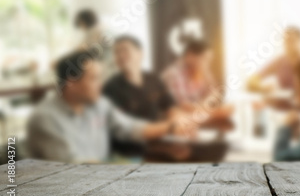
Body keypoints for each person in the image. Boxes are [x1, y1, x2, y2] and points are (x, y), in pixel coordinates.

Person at [27, 50, 186, 163]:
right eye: (94, 78)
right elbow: (74, 168)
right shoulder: (45, 119)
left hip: (101, 180)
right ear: (71, 84)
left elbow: (130, 128)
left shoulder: (99, 105)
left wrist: (170, 127)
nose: (101, 84)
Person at [104, 35, 175, 121]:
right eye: (117, 52)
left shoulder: (153, 79)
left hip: (162, 131)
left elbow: (169, 107)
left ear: (140, 53)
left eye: (125, 50)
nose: (121, 55)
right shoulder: (111, 88)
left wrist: (175, 120)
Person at [247, 26, 300, 92]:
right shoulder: (281, 61)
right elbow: (252, 79)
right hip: (284, 101)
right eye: (286, 41)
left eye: (292, 40)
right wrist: (262, 87)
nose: (288, 44)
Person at [162, 39, 217, 108]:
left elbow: (214, 97)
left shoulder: (199, 74)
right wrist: (207, 104)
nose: (207, 65)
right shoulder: (173, 74)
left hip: (196, 115)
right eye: (204, 59)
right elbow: (183, 106)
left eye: (209, 61)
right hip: (176, 115)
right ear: (190, 55)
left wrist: (208, 77)